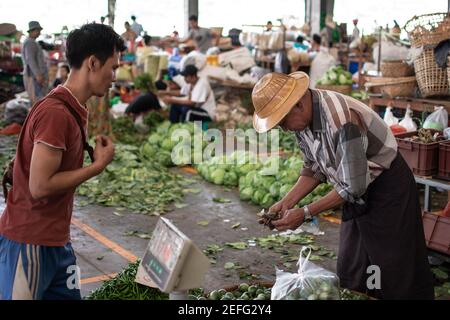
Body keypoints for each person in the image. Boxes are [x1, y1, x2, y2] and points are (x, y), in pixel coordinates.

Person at [251, 71, 434, 300]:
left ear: (298, 105)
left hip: (386, 189)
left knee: (394, 270)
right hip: (352, 191)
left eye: (283, 122)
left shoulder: (341, 120)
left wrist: (305, 213)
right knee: (353, 268)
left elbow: (354, 186)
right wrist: (286, 202)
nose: (285, 129)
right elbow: (313, 167)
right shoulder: (302, 122)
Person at [0, 23, 125, 300]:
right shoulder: (57, 113)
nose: (115, 76)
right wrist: (96, 166)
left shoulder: (72, 107)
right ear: (93, 62)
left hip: (56, 241)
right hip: (31, 241)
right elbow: (40, 186)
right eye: (113, 67)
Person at [22, 21, 48, 104]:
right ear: (33, 31)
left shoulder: (31, 42)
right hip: (34, 77)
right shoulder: (30, 43)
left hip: (35, 76)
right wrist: (38, 75)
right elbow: (31, 60)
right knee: (37, 100)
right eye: (38, 31)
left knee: (38, 100)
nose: (39, 33)